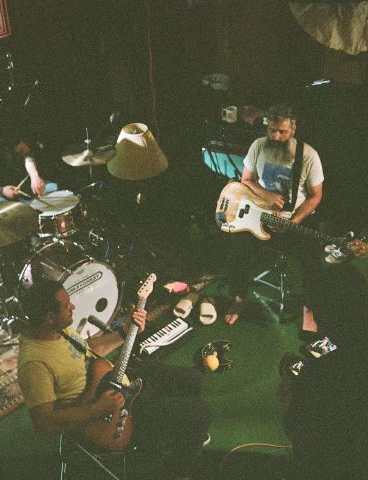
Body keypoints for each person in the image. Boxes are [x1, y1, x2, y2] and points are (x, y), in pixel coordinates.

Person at [17, 279, 211, 479]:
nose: (72, 307)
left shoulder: (58, 330)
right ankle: (178, 471)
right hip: (106, 416)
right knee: (201, 411)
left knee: (193, 379)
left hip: (115, 381)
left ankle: (180, 436)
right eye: (67, 306)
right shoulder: (33, 364)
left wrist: (125, 331)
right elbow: (44, 423)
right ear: (50, 317)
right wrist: (99, 408)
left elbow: (89, 350)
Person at [277, 264, 368, 479]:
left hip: (333, 460)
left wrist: (290, 374)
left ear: (325, 312)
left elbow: (295, 423)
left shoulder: (324, 361)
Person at [224, 103, 325, 326]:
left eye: (282, 132)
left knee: (312, 260)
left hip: (293, 219)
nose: (276, 137)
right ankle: (239, 299)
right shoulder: (258, 146)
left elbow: (316, 195)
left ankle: (309, 308)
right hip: (260, 216)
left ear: (293, 129)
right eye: (272, 130)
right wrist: (266, 195)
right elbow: (246, 180)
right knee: (237, 252)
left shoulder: (308, 156)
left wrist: (294, 221)